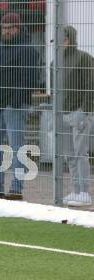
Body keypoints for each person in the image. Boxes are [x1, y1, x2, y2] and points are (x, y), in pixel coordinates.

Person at [0, 12, 38, 200]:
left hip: (13, 106)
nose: (6, 31)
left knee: (17, 147)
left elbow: (30, 79)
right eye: (4, 28)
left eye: (10, 28)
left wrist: (16, 101)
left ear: (18, 28)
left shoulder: (28, 49)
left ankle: (16, 188)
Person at [58, 26, 94, 207]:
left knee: (81, 153)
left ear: (68, 39)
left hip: (79, 113)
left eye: (62, 38)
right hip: (62, 114)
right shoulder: (56, 61)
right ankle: (76, 190)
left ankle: (84, 192)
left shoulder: (84, 58)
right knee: (69, 155)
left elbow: (90, 85)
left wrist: (85, 111)